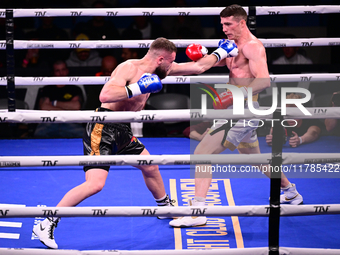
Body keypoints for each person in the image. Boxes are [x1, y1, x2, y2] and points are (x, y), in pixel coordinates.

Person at [33, 37, 239, 248]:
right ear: (160, 59)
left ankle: (164, 207)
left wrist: (221, 53)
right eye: (171, 61)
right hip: (103, 126)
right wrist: (136, 88)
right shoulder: (129, 67)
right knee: (95, 184)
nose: (172, 66)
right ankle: (48, 221)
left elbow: (197, 67)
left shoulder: (161, 70)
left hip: (122, 129)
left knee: (150, 166)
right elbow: (106, 94)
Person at [169, 4, 304, 228]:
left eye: (229, 24)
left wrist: (233, 96)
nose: (224, 29)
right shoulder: (231, 45)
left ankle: (198, 212)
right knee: (254, 156)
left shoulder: (253, 47)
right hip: (236, 109)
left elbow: (264, 80)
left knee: (202, 153)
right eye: (222, 24)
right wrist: (171, 68)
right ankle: (291, 192)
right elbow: (204, 66)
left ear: (242, 22)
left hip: (243, 109)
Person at [33, 60, 85, 138]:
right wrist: (67, 110)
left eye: (63, 69)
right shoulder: (47, 89)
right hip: (50, 122)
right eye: (57, 71)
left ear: (67, 71)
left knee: (85, 136)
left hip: (70, 123)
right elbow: (44, 107)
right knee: (38, 134)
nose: (61, 73)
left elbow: (76, 106)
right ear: (53, 73)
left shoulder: (75, 89)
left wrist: (54, 103)